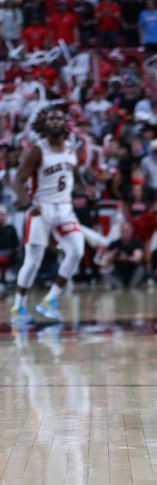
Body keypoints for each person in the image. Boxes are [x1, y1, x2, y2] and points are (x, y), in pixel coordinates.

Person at [10, 108, 85, 326]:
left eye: (58, 118)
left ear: (65, 124)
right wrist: (26, 202)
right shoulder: (37, 151)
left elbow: (74, 175)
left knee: (77, 251)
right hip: (41, 208)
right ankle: (19, 305)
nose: (54, 121)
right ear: (44, 124)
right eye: (51, 118)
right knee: (33, 261)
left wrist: (85, 187)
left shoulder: (72, 149)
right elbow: (18, 180)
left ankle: (50, 300)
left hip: (64, 208)